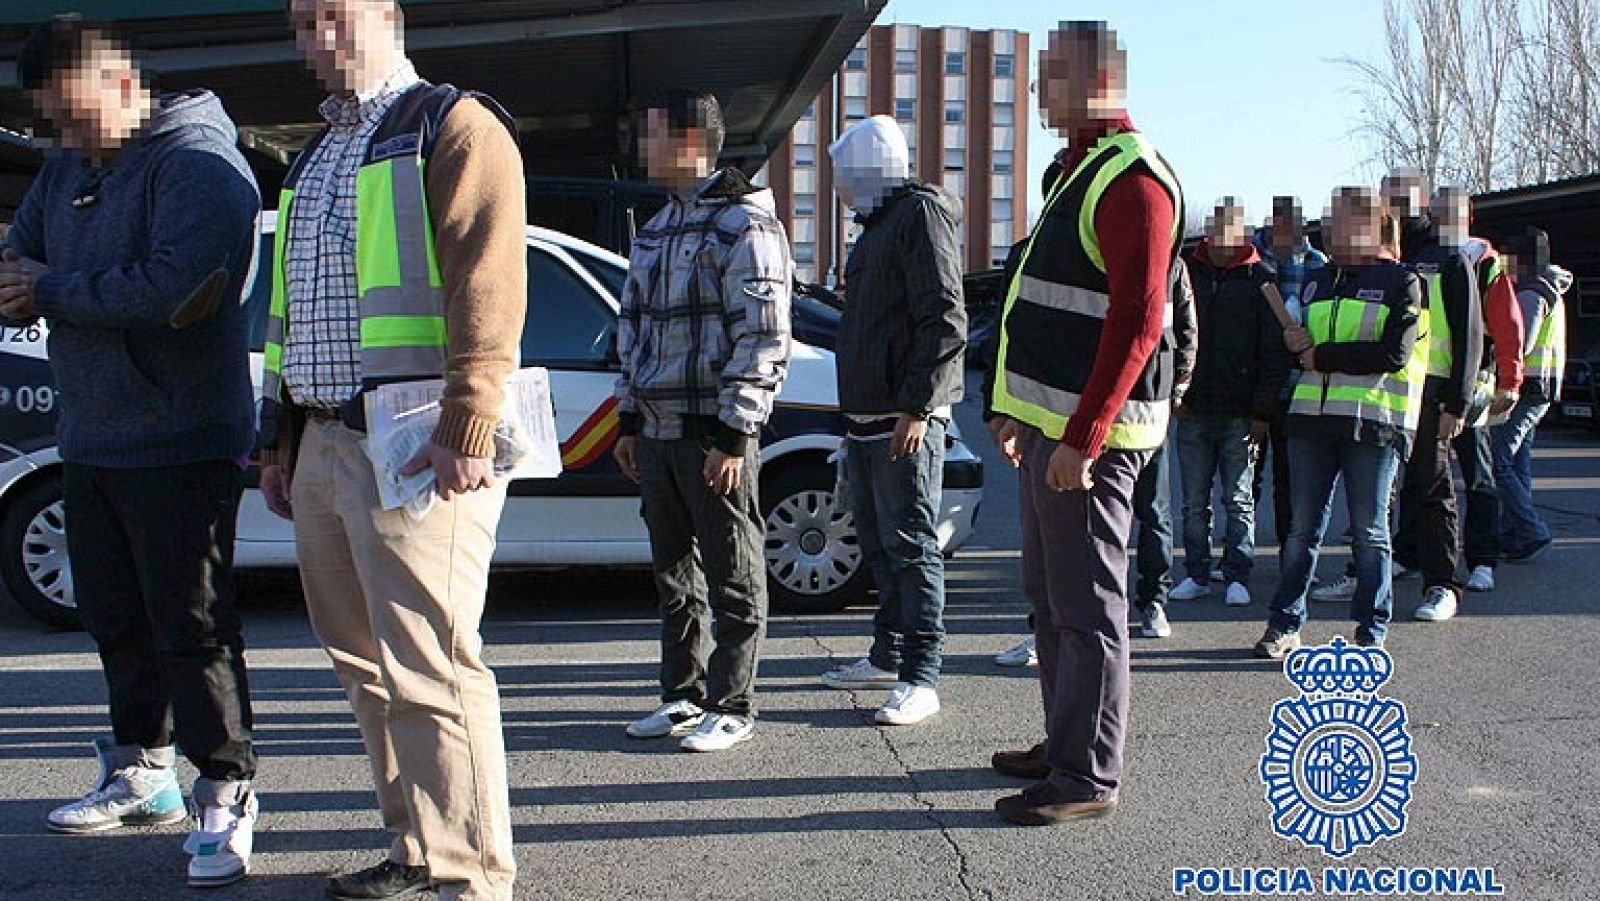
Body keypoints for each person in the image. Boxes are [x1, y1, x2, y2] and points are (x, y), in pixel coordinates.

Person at [261, 2, 527, 897]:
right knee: (364, 663)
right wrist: (279, 441)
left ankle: (472, 875)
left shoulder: (451, 125)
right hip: (325, 441)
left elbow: (487, 286)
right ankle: (417, 845)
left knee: (433, 663)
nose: (317, 38)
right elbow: (287, 317)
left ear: (389, 16)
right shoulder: (314, 155)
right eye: (302, 22)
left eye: (334, 16)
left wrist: (468, 425)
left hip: (415, 444)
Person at [1, 17, 262, 888]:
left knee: (190, 624)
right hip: (93, 432)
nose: (63, 138)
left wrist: (48, 290)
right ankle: (141, 770)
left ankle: (226, 788)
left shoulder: (199, 165)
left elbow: (177, 288)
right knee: (113, 616)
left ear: (119, 82)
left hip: (183, 438)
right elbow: (19, 253)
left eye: (73, 115)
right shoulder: (69, 165)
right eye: (50, 121)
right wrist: (31, 281)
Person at [986, 21, 1184, 825]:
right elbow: (1040, 309)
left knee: (1089, 606)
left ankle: (1087, 773)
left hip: (1088, 442)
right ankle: (1062, 742)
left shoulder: (1134, 179)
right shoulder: (1078, 171)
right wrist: (1012, 412)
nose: (1038, 93)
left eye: (1051, 77)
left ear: (1101, 79)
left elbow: (1138, 320)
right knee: (1049, 598)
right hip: (1047, 428)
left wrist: (1084, 436)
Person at [613, 91, 792, 752]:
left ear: (691, 140)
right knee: (673, 576)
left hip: (711, 431)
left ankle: (733, 701)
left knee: (732, 572)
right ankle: (680, 694)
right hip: (657, 433)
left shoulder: (744, 224)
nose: (643, 149)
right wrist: (628, 417)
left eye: (653, 133)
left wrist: (735, 434)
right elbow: (630, 327)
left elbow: (765, 336)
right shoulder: (658, 226)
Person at [816, 116, 966, 725]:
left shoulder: (918, 217)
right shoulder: (877, 226)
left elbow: (944, 317)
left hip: (904, 419)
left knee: (911, 544)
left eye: (846, 173)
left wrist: (919, 406)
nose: (839, 188)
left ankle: (921, 674)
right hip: (866, 418)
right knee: (878, 544)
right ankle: (888, 650)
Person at [1254, 186, 1426, 659]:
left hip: (1372, 426)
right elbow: (1299, 348)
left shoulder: (1403, 282)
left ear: (1373, 227)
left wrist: (1319, 355)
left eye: (1343, 221)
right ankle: (1284, 625)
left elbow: (1395, 353)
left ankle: (1371, 631)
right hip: (1310, 422)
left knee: (1370, 532)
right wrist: (1295, 344)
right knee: (1301, 531)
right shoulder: (1317, 280)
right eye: (1330, 221)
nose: (1331, 229)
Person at [1168, 199, 1288, 609]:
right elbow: (1171, 337)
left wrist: (1262, 412)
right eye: (1215, 228)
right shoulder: (1186, 271)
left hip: (1242, 412)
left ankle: (1238, 574)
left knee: (1238, 500)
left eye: (1230, 229)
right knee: (1192, 501)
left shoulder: (1263, 280)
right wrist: (1175, 394)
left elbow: (1274, 353)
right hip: (1193, 407)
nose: (1220, 237)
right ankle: (1196, 573)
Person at [1393, 186, 1485, 625]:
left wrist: (1458, 403)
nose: (1393, 204)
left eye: (1401, 195)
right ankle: (1384, 565)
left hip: (1433, 391)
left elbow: (1471, 336)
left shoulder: (1449, 258)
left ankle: (1443, 585)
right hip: (1387, 392)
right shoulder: (1386, 257)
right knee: (1388, 491)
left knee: (1433, 488)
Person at [1253, 196, 1328, 550]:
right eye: (1280, 225)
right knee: (1245, 478)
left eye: (1294, 226)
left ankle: (1289, 553)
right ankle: (1238, 557)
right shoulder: (1252, 260)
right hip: (1254, 385)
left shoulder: (1318, 265)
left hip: (1300, 387)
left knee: (1290, 478)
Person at [1493, 228, 1565, 563]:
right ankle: (1515, 533)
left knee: (1498, 459)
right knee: (1517, 460)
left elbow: (1520, 342)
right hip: (1542, 384)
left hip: (1528, 386)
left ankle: (1531, 528)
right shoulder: (1550, 290)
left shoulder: (1532, 293)